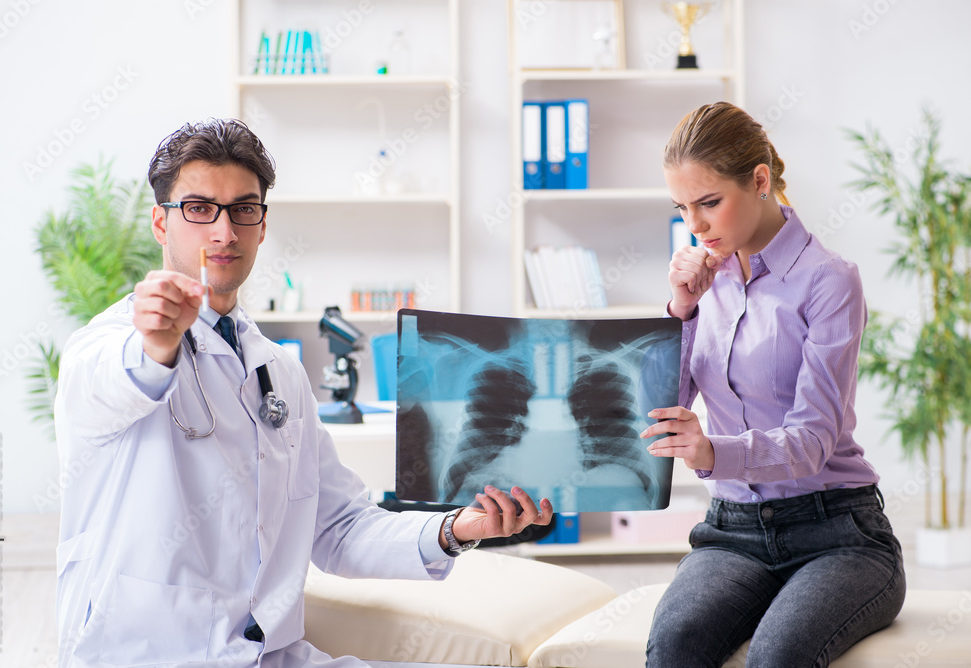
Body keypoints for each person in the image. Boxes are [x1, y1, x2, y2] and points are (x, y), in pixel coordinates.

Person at [53, 118, 553, 668]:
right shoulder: (104, 347)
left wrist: (460, 528)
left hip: (273, 655)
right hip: (147, 657)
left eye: (244, 209)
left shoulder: (279, 372)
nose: (224, 232)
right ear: (160, 223)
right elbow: (113, 385)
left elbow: (340, 528)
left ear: (262, 226)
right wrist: (155, 346)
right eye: (199, 208)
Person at [639, 102, 905, 667]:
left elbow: (812, 441)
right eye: (683, 207)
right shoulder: (703, 281)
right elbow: (660, 410)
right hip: (732, 531)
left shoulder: (828, 281)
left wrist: (714, 450)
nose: (695, 224)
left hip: (836, 531)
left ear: (760, 181)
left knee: (777, 656)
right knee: (674, 646)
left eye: (710, 202)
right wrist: (681, 311)